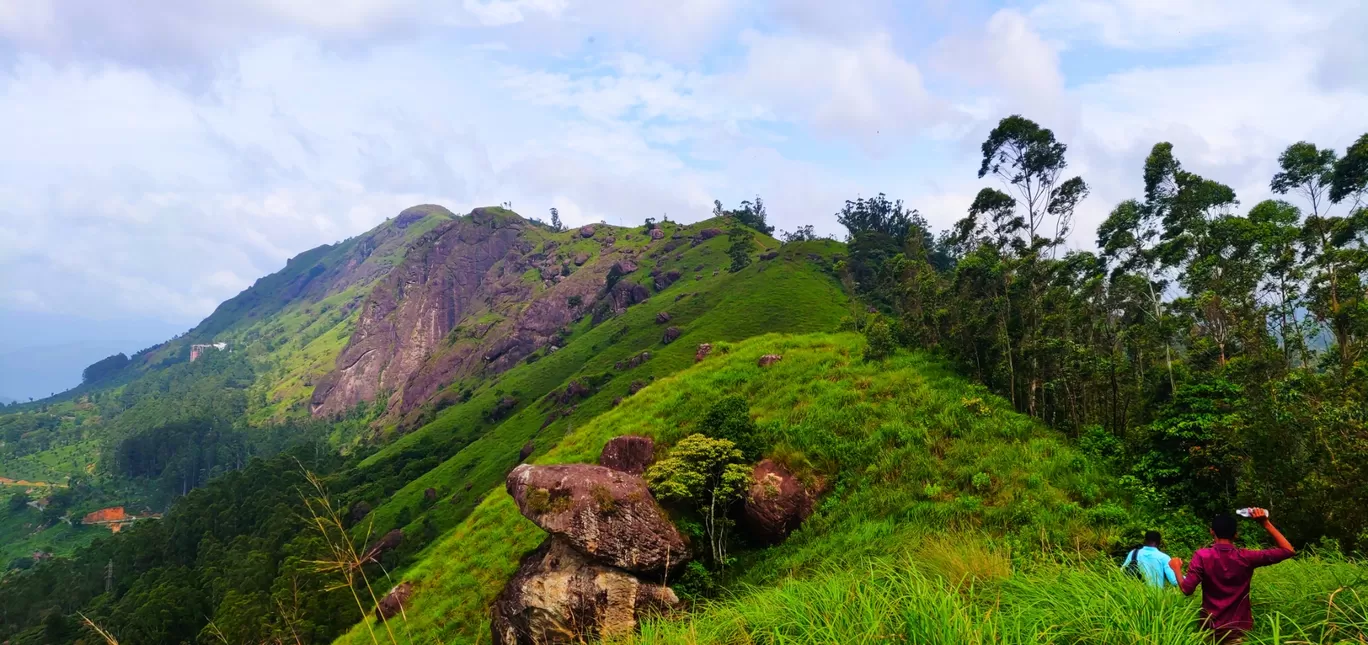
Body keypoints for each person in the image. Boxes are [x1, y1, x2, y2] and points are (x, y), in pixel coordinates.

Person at [1176, 508, 1295, 643]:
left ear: (1212, 532)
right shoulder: (1246, 557)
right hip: (1239, 628)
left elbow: (1187, 589)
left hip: (1210, 627)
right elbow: (1288, 550)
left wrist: (1176, 569)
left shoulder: (1202, 556)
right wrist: (1265, 523)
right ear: (1236, 535)